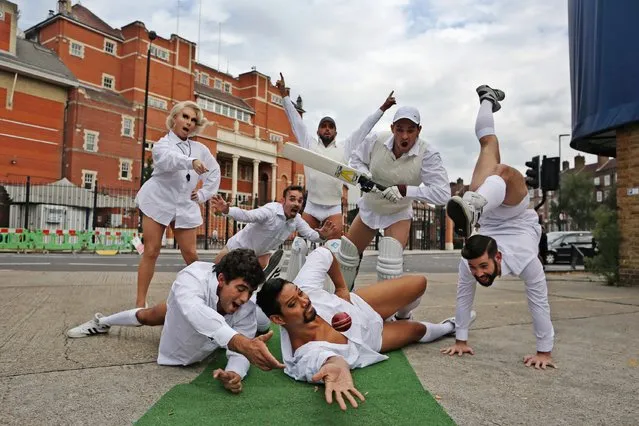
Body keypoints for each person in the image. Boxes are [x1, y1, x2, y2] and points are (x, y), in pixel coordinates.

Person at [256, 247, 471, 411]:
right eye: (292, 304)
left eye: (300, 293)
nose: (304, 301)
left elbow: (324, 253)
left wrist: (341, 287)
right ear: (278, 319)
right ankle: (449, 326)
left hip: (360, 305)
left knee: (419, 283)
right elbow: (327, 361)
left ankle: (401, 314)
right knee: (416, 332)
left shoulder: (306, 288)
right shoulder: (304, 355)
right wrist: (337, 369)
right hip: (372, 339)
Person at [442, 85, 556, 370]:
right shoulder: (478, 262)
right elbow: (463, 295)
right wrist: (461, 339)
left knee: (499, 168)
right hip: (518, 215)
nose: (478, 273)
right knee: (490, 147)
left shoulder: (524, 260)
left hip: (491, 210)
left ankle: (474, 203)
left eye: (481, 267)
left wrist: (544, 353)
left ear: (498, 258)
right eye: (477, 269)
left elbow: (538, 302)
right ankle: (488, 99)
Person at [66, 249, 284, 394]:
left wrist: (236, 372)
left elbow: (241, 349)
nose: (244, 297)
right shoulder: (191, 277)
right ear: (221, 279)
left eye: (249, 291)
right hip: (181, 317)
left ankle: (266, 296)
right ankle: (102, 321)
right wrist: (239, 341)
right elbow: (194, 310)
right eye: (241, 289)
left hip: (216, 329)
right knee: (148, 315)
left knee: (261, 321)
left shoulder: (244, 303)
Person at [332, 105, 450, 304]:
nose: (404, 136)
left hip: (398, 211)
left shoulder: (427, 153)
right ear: (393, 128)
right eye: (400, 129)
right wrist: (365, 176)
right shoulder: (376, 140)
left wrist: (406, 191)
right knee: (347, 257)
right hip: (371, 206)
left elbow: (443, 193)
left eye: (410, 130)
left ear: (419, 131)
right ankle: (339, 303)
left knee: (390, 262)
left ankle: (386, 313)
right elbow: (355, 159)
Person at [276, 73, 396, 242]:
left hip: (333, 207)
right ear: (318, 131)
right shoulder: (309, 145)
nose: (327, 129)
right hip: (311, 206)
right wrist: (284, 96)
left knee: (333, 248)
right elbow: (296, 122)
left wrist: (383, 108)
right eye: (323, 126)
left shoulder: (345, 148)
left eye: (330, 127)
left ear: (335, 132)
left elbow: (364, 128)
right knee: (300, 246)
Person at [211, 185, 336, 332]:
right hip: (236, 249)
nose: (296, 203)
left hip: (259, 256)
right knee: (215, 278)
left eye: (300, 201)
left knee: (244, 285)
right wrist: (227, 210)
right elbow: (248, 215)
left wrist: (322, 235)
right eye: (292, 199)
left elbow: (311, 235)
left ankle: (258, 282)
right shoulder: (270, 211)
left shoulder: (297, 220)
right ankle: (213, 311)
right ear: (283, 200)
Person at [134, 100, 221, 308]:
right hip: (158, 200)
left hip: (185, 204)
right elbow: (168, 160)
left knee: (191, 255)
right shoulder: (162, 144)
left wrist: (202, 195)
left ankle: (209, 300)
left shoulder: (200, 149)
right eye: (185, 116)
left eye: (193, 120)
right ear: (174, 118)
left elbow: (214, 171)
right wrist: (190, 162)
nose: (189, 122)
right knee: (151, 250)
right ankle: (139, 304)